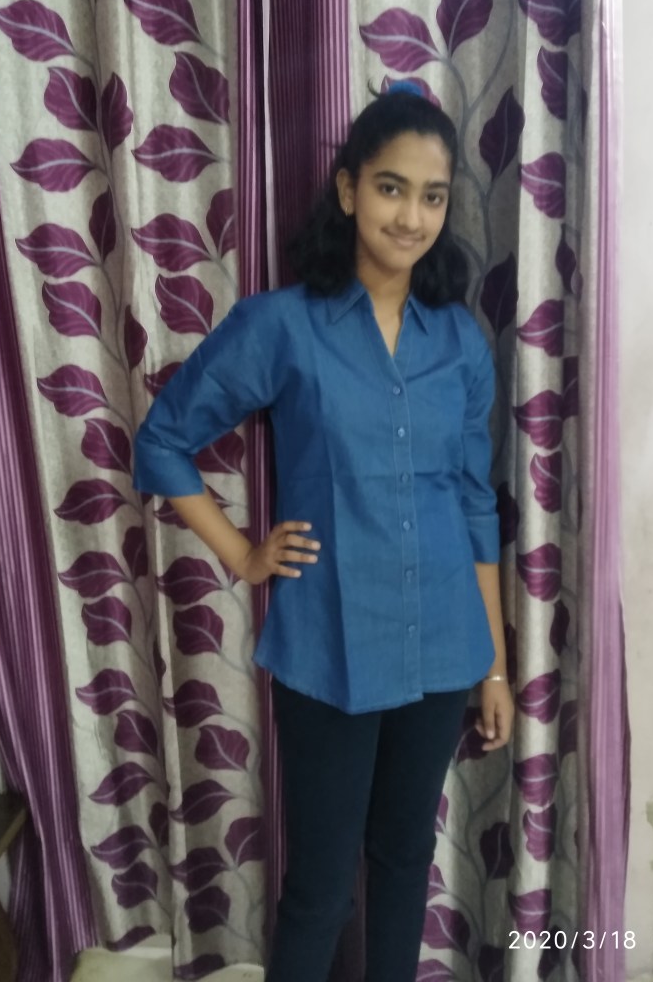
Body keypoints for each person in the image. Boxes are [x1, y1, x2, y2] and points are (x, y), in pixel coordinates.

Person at [133, 82, 514, 982]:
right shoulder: (282, 326)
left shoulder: (459, 341)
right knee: (319, 888)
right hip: (331, 643)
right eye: (391, 187)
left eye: (432, 196)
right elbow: (162, 442)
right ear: (348, 189)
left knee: (406, 860)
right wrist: (242, 552)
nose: (411, 216)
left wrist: (495, 668)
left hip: (442, 645)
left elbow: (474, 507)